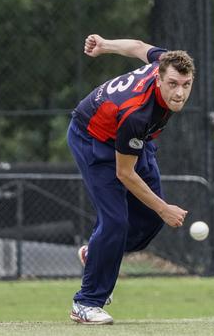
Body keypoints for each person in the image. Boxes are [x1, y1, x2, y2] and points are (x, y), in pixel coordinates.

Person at [68, 35, 195, 324]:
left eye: (186, 85)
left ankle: (96, 253)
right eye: (173, 84)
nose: (180, 93)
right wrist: (164, 207)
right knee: (115, 221)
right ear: (160, 80)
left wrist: (105, 45)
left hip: (134, 139)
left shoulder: (164, 62)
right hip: (92, 138)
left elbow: (138, 47)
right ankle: (85, 303)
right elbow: (124, 173)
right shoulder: (138, 113)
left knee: (149, 220)